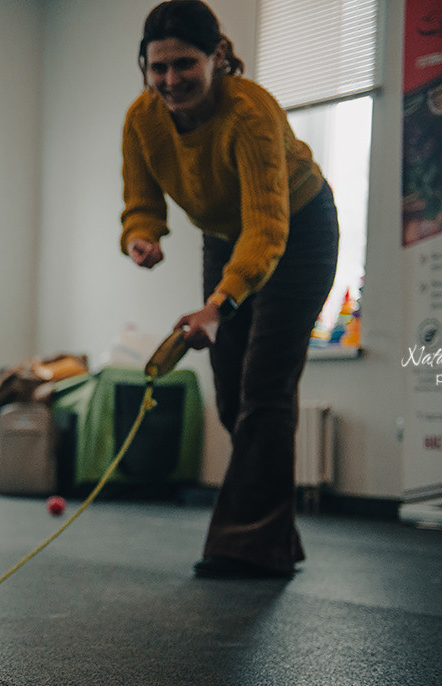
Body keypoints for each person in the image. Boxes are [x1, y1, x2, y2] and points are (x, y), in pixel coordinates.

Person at [120, 0, 339, 578]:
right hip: (223, 235)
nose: (171, 80)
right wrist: (140, 237)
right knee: (230, 394)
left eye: (184, 64)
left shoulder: (250, 112)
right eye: (158, 67)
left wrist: (217, 306)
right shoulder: (142, 120)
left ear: (218, 56)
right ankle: (274, 532)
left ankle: (245, 547)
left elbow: (267, 230)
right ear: (145, 66)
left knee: (266, 385)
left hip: (298, 229)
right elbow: (141, 204)